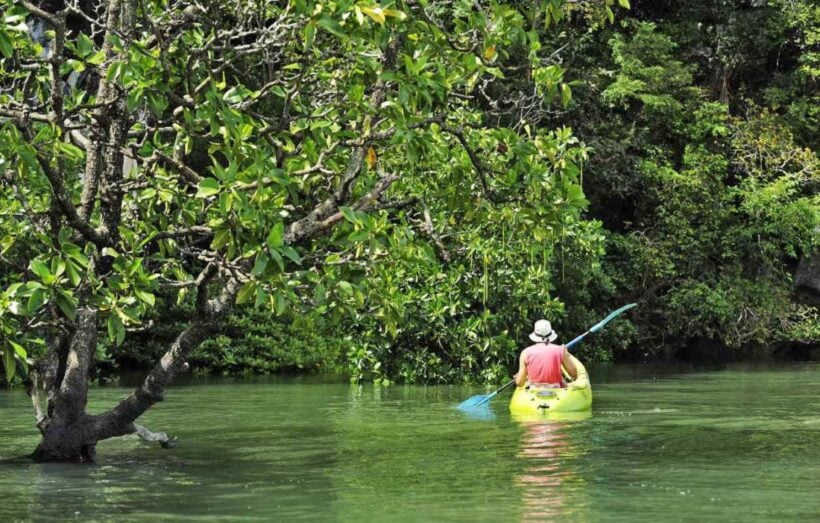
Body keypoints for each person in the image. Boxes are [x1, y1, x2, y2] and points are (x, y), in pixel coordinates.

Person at [514, 319, 578, 388]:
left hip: (534, 391)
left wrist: (517, 377)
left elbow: (519, 383)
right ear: (550, 334)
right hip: (556, 390)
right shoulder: (561, 350)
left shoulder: (525, 353)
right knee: (563, 382)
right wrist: (566, 354)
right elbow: (574, 374)